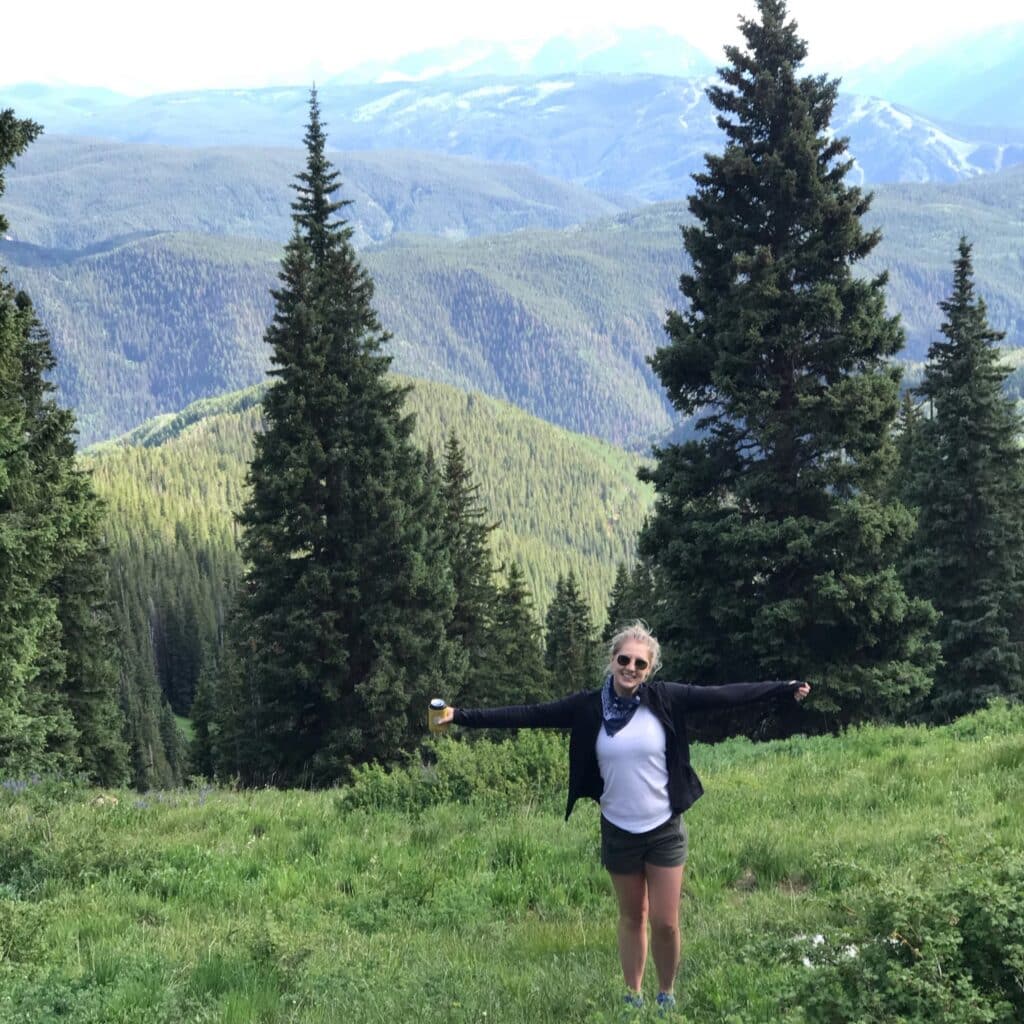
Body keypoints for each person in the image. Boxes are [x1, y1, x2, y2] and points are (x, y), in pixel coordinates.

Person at [435, 620, 811, 1016]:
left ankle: (665, 995)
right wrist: (460, 716)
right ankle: (633, 997)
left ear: (649, 670)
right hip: (618, 830)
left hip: (664, 828)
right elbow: (528, 714)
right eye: (624, 660)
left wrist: (782, 689)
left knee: (665, 923)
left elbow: (724, 695)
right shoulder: (588, 707)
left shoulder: (665, 699)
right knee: (633, 917)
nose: (631, 668)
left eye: (640, 664)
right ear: (612, 660)